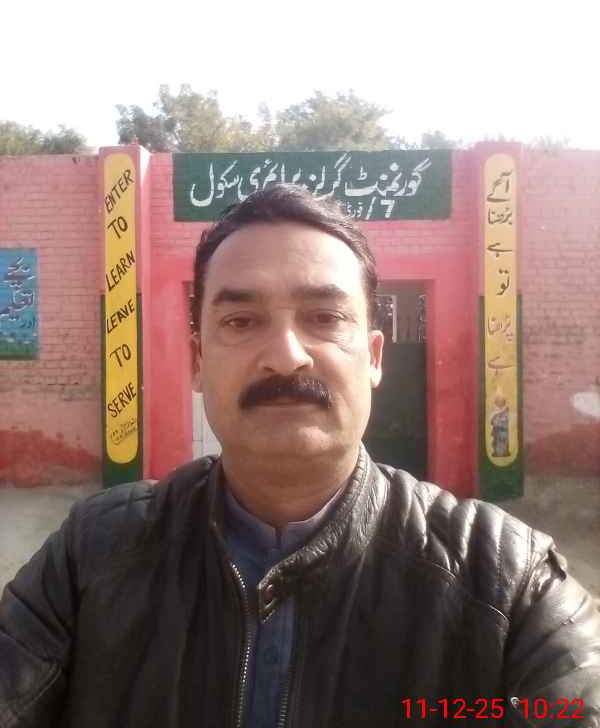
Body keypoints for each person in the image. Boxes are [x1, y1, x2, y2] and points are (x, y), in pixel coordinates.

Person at [1, 184, 599, 727]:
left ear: (373, 357)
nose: (286, 356)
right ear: (198, 362)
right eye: (242, 320)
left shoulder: (506, 583)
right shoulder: (95, 553)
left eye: (324, 318)